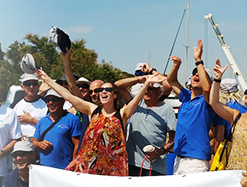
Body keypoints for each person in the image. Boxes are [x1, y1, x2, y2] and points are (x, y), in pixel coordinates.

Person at [36, 70, 164, 176]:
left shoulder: (122, 114)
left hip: (113, 171)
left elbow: (136, 100)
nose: (103, 91)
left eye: (108, 89)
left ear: (114, 95)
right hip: (89, 168)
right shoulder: (92, 110)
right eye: (101, 90)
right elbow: (68, 96)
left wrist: (147, 83)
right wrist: (47, 79)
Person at [166, 39, 222, 174]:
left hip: (195, 160)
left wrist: (198, 60)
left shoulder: (207, 100)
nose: (196, 74)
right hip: (179, 158)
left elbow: (207, 88)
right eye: (194, 72)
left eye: (200, 73)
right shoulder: (185, 97)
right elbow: (171, 80)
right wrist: (176, 66)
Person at [125, 81, 176, 176]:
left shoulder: (167, 109)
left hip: (155, 167)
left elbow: (174, 139)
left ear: (159, 91)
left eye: (151, 88)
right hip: (132, 164)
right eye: (145, 88)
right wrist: (141, 78)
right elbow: (118, 87)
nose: (147, 91)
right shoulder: (135, 104)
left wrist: (160, 151)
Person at [32, 89, 81, 169]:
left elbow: (77, 145)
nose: (50, 103)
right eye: (48, 100)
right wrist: (39, 144)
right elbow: (34, 142)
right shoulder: (42, 121)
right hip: (44, 168)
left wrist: (73, 165)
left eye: (54, 100)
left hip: (65, 168)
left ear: (63, 101)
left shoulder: (72, 119)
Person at [13, 73, 47, 141]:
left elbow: (52, 126)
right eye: (27, 84)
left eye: (34, 84)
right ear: (22, 86)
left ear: (38, 86)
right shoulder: (15, 105)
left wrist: (32, 120)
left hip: (40, 144)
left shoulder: (47, 104)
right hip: (20, 145)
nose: (31, 87)